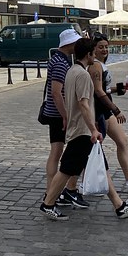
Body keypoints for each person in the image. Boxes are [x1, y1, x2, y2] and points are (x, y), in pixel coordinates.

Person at [39, 37, 128, 221]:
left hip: (78, 129)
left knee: (98, 166)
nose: (96, 56)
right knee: (66, 170)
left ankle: (119, 205)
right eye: (94, 52)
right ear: (88, 54)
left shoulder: (72, 71)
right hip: (82, 131)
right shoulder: (84, 75)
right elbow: (84, 104)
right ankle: (48, 204)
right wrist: (93, 129)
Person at [88, 33, 128, 191]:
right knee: (92, 149)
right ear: (93, 49)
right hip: (98, 111)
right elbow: (98, 91)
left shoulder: (102, 65)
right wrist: (116, 110)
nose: (104, 50)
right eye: (100, 47)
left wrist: (120, 88)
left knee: (122, 141)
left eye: (106, 47)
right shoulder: (95, 65)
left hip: (105, 111)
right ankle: (76, 182)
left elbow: (105, 89)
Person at [37, 29, 80, 194]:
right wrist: (65, 115)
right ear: (69, 44)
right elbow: (56, 92)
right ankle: (52, 190)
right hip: (57, 114)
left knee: (56, 151)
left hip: (55, 112)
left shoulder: (56, 59)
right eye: (75, 42)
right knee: (57, 152)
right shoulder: (61, 63)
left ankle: (52, 190)